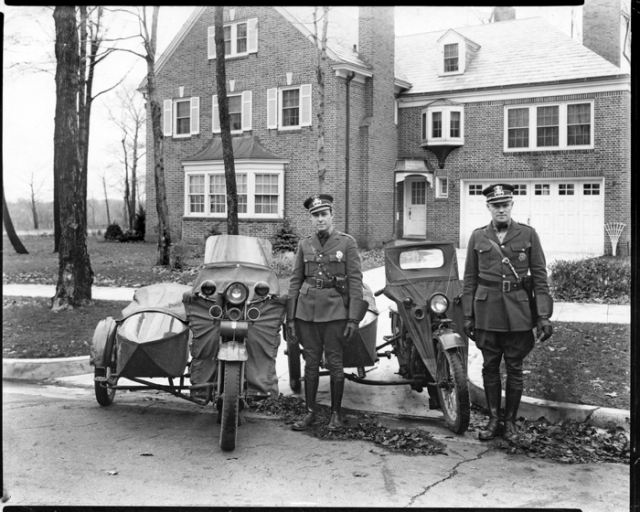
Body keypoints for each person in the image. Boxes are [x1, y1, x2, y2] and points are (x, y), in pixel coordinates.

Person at [461, 183, 554, 442]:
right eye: (495, 205)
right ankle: (493, 420)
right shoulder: (478, 237)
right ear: (488, 207)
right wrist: (468, 315)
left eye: (505, 205)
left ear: (512, 206)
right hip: (487, 312)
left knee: (514, 367)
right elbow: (469, 279)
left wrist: (543, 315)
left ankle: (510, 422)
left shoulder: (528, 234)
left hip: (518, 312)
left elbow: (539, 277)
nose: (500, 210)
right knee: (490, 367)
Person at [286, 194, 369, 432]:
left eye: (324, 214)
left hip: (335, 312)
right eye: (315, 216)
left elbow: (355, 281)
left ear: (332, 215)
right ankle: (310, 412)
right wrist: (290, 318)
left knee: (335, 362)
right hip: (307, 313)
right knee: (310, 363)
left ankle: (336, 414)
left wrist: (353, 318)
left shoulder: (346, 243)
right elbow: (295, 281)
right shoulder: (305, 244)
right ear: (310, 219)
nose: (320, 219)